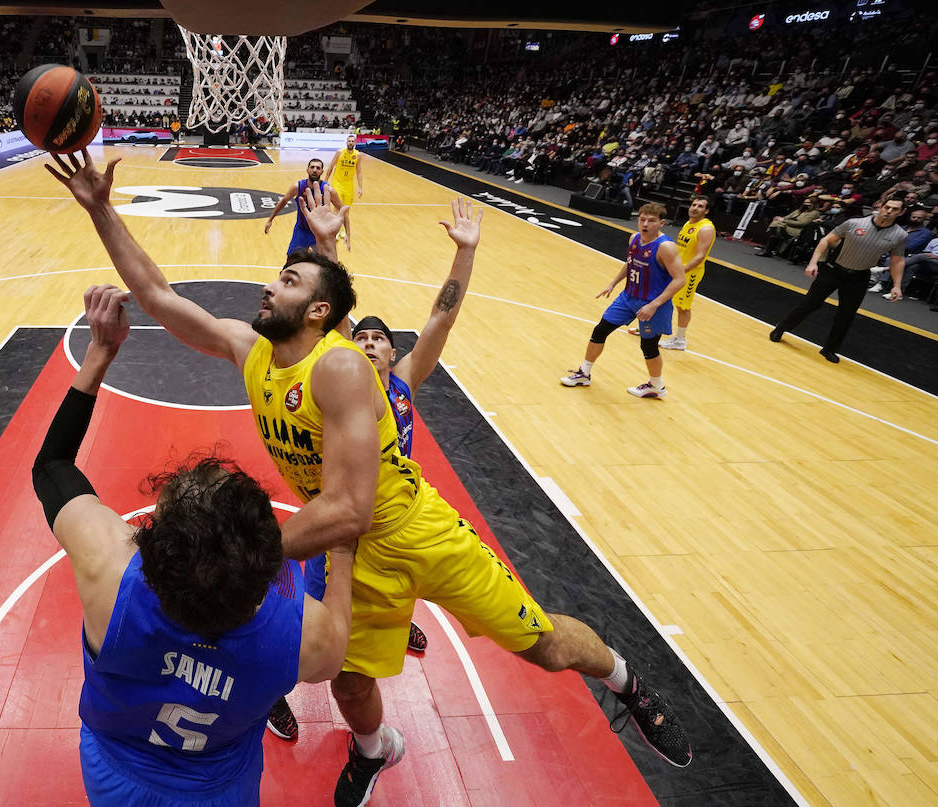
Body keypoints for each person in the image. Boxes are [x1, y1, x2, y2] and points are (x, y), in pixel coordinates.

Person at [49, 151, 690, 807]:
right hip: (342, 543)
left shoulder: (340, 369)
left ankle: (622, 678)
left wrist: (235, 562)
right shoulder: (252, 351)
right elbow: (158, 296)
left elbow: (352, 510)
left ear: (320, 310)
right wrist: (100, 210)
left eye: (288, 280)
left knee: (548, 648)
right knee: (346, 683)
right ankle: (374, 748)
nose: (269, 286)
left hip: (409, 529)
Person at [34, 283, 355, 806]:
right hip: (219, 787)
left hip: (117, 772)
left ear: (150, 542)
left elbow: (51, 466)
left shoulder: (109, 570)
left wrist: (100, 353)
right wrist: (341, 546)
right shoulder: (308, 635)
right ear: (267, 565)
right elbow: (338, 641)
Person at [267, 198, 482, 743]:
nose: (367, 344)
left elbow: (444, 315)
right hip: (337, 517)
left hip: (388, 518)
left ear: (393, 352)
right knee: (312, 630)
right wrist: (326, 242)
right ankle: (272, 692)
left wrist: (465, 253)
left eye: (377, 339)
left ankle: (388, 622)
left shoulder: (406, 380)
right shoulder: (340, 374)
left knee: (396, 576)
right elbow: (329, 304)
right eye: (358, 337)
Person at [562, 203, 687, 398]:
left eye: (651, 221)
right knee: (600, 329)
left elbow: (680, 279)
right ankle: (584, 373)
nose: (645, 224)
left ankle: (657, 386)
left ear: (661, 223)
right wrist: (613, 283)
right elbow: (630, 263)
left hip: (653, 304)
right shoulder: (634, 238)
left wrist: (653, 305)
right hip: (628, 297)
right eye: (642, 219)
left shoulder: (666, 247)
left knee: (648, 346)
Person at [769, 198, 907, 362]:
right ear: (881, 207)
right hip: (834, 270)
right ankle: (781, 328)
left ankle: (830, 349)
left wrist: (897, 286)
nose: (889, 211)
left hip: (859, 276)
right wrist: (813, 262)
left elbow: (897, 260)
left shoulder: (900, 235)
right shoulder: (855, 223)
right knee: (809, 304)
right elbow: (826, 240)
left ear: (901, 212)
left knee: (846, 315)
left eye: (895, 209)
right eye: (887, 207)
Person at [663, 195, 716, 350]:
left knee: (683, 306)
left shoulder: (706, 229)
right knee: (663, 298)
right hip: (677, 268)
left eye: (700, 206)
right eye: (693, 204)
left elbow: (700, 256)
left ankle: (680, 340)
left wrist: (681, 271)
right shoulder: (688, 223)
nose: (695, 208)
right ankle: (652, 329)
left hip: (690, 273)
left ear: (706, 211)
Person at [264, 158, 342, 255]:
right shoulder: (298, 187)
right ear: (307, 170)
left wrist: (334, 223)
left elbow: (341, 209)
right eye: (312, 167)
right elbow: (283, 201)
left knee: (323, 264)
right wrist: (270, 219)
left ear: (322, 171)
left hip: (319, 232)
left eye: (318, 168)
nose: (314, 170)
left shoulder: (329, 190)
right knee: (293, 260)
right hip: (302, 230)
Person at [325, 133, 364, 250]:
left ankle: (342, 229)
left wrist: (360, 187)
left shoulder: (358, 155)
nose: (350, 143)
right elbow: (331, 167)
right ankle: (335, 229)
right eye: (349, 141)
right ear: (346, 142)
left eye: (352, 141)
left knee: (346, 209)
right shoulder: (339, 153)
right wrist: (325, 182)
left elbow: (359, 171)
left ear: (355, 143)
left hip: (348, 185)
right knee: (337, 207)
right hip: (338, 183)